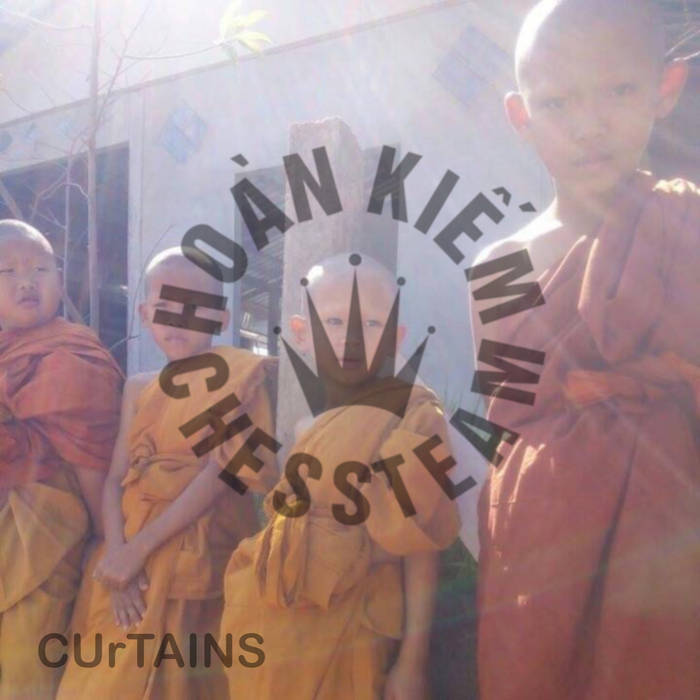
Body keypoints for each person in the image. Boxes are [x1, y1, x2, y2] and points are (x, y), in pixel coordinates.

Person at [470, 1, 700, 698]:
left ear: (666, 89)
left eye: (619, 90)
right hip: (544, 557)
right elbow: (508, 428)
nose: (589, 124)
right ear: (521, 115)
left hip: (674, 552)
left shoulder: (687, 226)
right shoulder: (501, 266)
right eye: (558, 102)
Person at [220, 253, 461, 699]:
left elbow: (419, 546)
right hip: (275, 619)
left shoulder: (413, 417)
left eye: (371, 324)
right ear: (301, 334)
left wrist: (412, 663)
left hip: (354, 623)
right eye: (333, 321)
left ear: (395, 337)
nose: (351, 338)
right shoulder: (301, 425)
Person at [57, 247, 277, 699]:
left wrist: (138, 550)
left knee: (187, 676)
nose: (179, 320)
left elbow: (225, 473)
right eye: (166, 307)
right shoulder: (138, 387)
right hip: (128, 556)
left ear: (221, 318)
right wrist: (116, 555)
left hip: (195, 550)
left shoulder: (238, 379)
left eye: (196, 308)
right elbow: (117, 477)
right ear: (145, 314)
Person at [0, 219, 122, 698]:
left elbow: (92, 458)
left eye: (39, 269)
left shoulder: (73, 353)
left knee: (24, 665)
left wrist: (105, 538)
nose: (26, 282)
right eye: (8, 271)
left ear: (59, 276)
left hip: (46, 536)